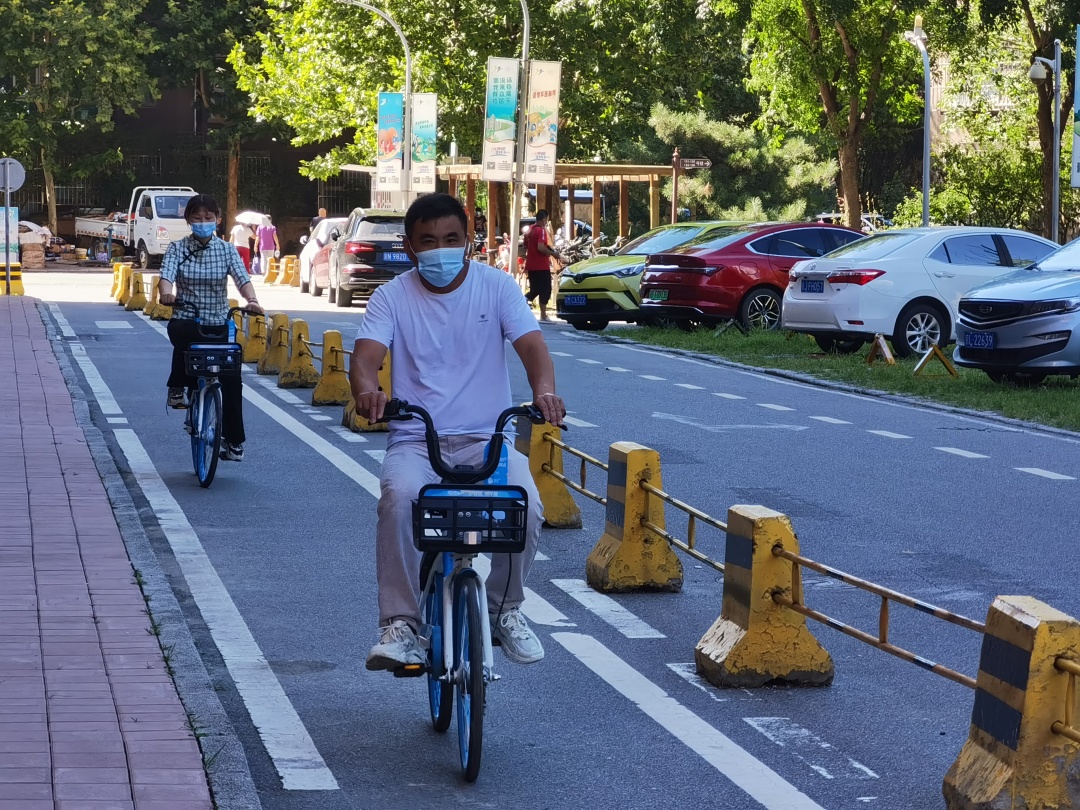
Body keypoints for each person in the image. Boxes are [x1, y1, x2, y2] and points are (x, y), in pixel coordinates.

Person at [350, 193, 567, 672]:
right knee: (398, 500)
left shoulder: (498, 288)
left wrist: (545, 391)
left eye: (451, 239)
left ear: (468, 241)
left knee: (526, 506)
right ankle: (400, 625)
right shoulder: (391, 297)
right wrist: (367, 391)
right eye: (428, 241)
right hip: (416, 442)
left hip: (487, 441)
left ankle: (503, 609)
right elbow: (365, 358)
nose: (440, 250)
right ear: (409, 247)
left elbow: (532, 348)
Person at [158, 194, 264, 462]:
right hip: (187, 316)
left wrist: (251, 300)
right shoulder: (177, 248)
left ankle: (234, 442)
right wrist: (167, 293)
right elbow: (166, 277)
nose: (203, 222)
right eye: (197, 218)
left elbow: (242, 278)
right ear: (188, 220)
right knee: (184, 334)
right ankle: (177, 387)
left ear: (217, 220)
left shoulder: (227, 250)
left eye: (208, 218)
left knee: (231, 378)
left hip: (219, 321)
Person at [523, 209, 562, 322]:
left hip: (531, 265)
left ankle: (522, 300)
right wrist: (552, 254)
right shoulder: (542, 231)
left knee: (535, 290)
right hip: (541, 265)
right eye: (547, 219)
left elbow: (526, 246)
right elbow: (541, 247)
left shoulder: (530, 230)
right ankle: (543, 315)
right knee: (545, 290)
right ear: (544, 219)